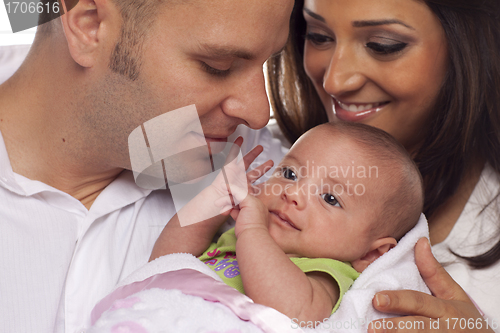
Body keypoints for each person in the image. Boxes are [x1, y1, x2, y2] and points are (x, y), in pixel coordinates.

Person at [0, 0, 294, 331]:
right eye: (219, 66)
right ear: (89, 24)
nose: (257, 112)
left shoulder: (256, 166)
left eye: (266, 63)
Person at [267, 0, 500, 329]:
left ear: (468, 47)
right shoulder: (248, 148)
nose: (335, 81)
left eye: (382, 45)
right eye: (318, 36)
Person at [150, 122, 424, 323]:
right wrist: (214, 201)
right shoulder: (232, 232)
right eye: (290, 173)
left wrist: (253, 231)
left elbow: (296, 314)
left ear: (372, 253)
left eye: (330, 198)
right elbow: (165, 261)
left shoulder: (326, 272)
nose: (292, 193)